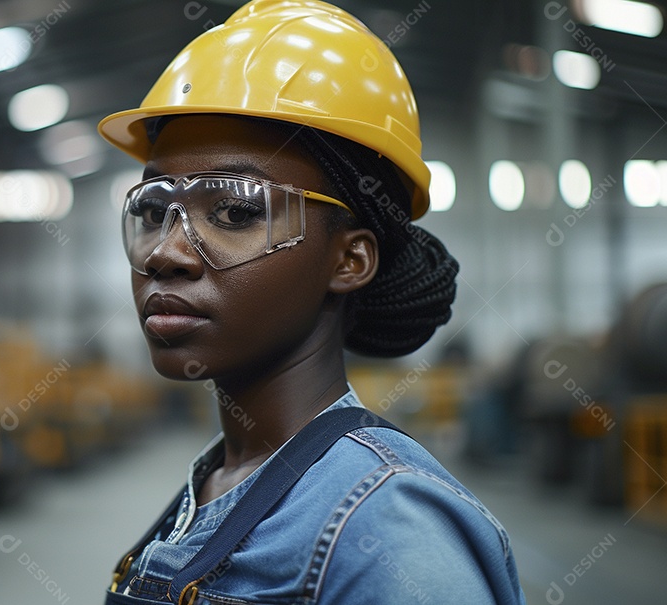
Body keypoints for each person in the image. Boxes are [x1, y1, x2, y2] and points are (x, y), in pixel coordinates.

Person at [96, 1, 526, 604]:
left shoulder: (390, 532)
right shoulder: (218, 484)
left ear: (349, 261)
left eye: (236, 212)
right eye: (151, 209)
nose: (165, 252)